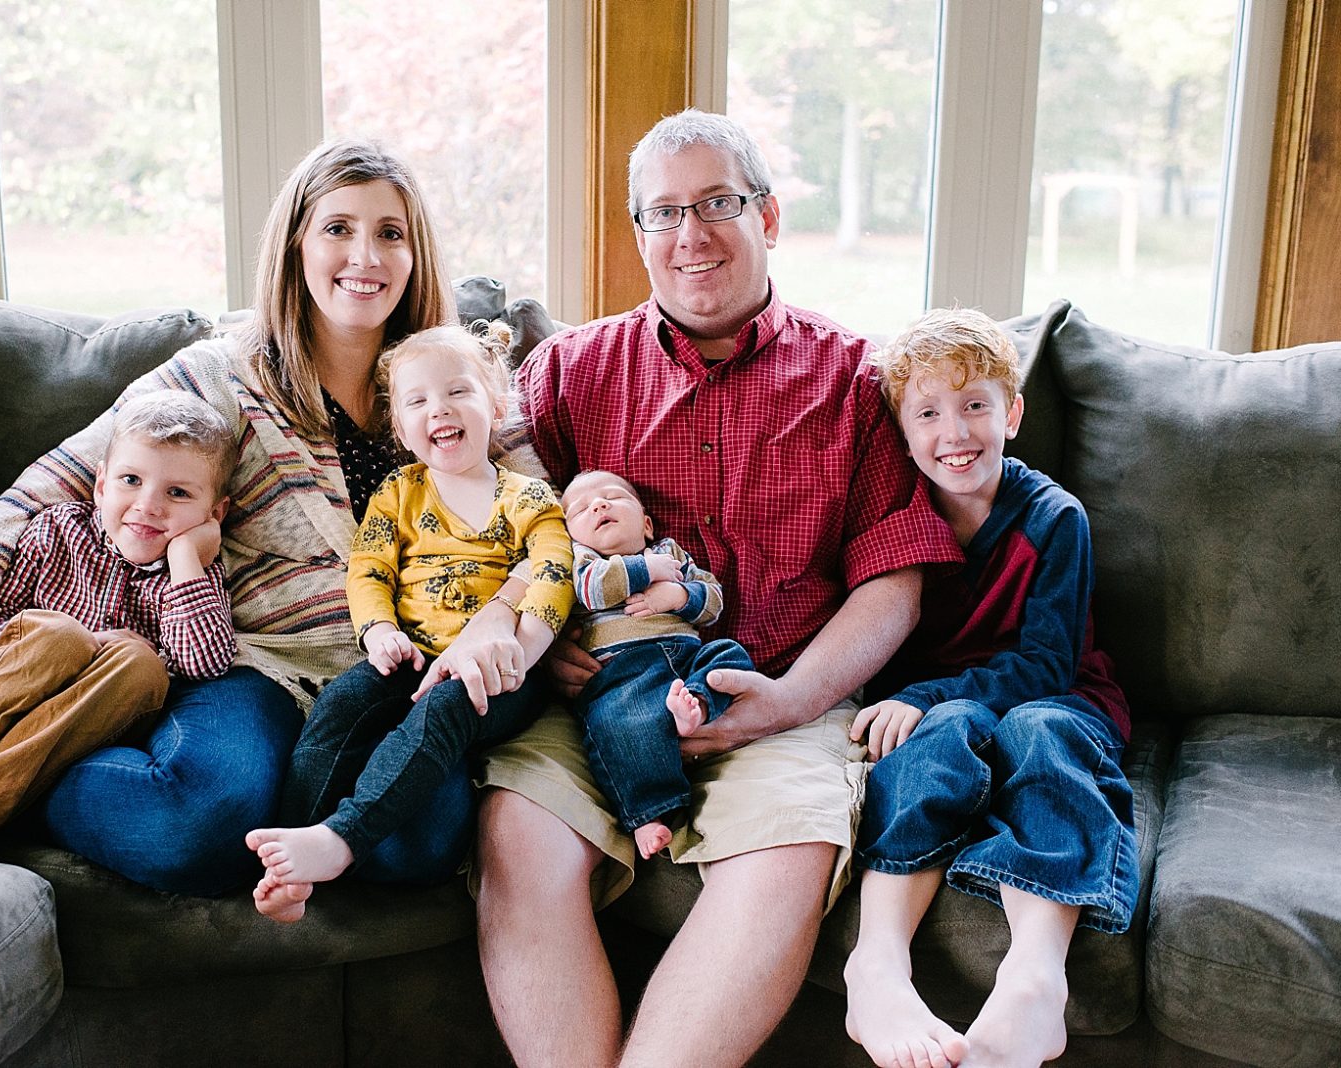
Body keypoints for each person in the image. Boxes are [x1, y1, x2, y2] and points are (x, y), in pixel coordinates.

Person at [0, 139, 521, 897]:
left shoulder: (462, 377)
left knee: (416, 849)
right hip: (258, 664)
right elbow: (47, 488)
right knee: (190, 825)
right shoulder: (221, 375)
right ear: (297, 243)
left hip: (408, 670)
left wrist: (522, 622)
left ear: (416, 254)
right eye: (337, 227)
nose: (363, 254)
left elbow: (545, 530)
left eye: (389, 233)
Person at [472, 109, 962, 1068]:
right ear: (639, 234)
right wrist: (547, 631)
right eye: (662, 214)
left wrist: (788, 702)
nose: (689, 236)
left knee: (785, 860)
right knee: (515, 836)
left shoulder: (861, 378)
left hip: (782, 692)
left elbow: (893, 585)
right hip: (596, 698)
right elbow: (499, 535)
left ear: (770, 217)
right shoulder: (568, 373)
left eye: (718, 205)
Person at [843, 307, 1137, 1068]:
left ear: (1012, 411)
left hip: (1060, 694)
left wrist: (930, 695)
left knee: (1040, 735)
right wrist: (925, 702)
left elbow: (1047, 664)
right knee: (934, 741)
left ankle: (1034, 982)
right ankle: (876, 966)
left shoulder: (1053, 518)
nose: (956, 432)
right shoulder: (897, 517)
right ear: (902, 433)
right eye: (929, 413)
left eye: (976, 405)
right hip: (946, 708)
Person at [247, 322, 572, 921]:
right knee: (342, 704)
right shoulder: (399, 493)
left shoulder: (530, 499)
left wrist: (518, 655)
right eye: (417, 401)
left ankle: (341, 839)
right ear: (399, 427)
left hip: (500, 675)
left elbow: (553, 576)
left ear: (495, 406)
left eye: (458, 392)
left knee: (445, 709)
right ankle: (292, 858)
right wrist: (378, 632)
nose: (439, 410)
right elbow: (368, 569)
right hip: (411, 652)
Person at [0, 391, 236, 864]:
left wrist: (185, 559)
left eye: (177, 493)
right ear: (101, 487)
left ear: (215, 514)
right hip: (3, 694)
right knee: (60, 636)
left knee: (143, 667)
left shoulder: (191, 574)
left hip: (72, 725)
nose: (148, 505)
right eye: (131, 480)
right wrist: (79, 646)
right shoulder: (58, 530)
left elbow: (205, 664)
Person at [559, 468, 753, 861]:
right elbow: (592, 590)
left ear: (646, 525)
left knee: (729, 654)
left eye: (614, 497)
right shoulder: (583, 563)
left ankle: (695, 704)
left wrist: (679, 595)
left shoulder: (670, 553)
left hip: (687, 657)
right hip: (623, 672)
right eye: (581, 510)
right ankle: (648, 813)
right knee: (615, 725)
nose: (599, 505)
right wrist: (645, 572)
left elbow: (713, 599)